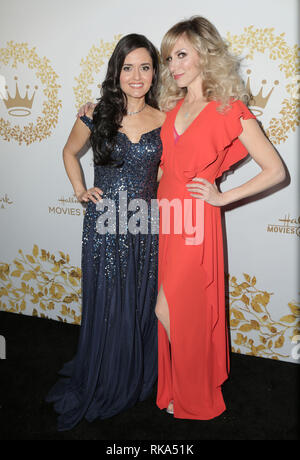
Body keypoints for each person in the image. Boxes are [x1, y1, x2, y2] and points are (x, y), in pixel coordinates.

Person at [154, 16, 286, 419]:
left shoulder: (229, 109)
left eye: (182, 54)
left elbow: (276, 170)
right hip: (167, 215)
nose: (173, 65)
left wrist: (223, 197)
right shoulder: (172, 105)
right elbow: (163, 165)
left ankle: (195, 393)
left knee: (167, 308)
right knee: (180, 310)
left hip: (196, 218)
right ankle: (183, 385)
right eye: (169, 57)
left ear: (205, 55)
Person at [46, 34, 166, 431]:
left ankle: (135, 373)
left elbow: (166, 173)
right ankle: (106, 375)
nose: (136, 75)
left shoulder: (165, 119)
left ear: (154, 72)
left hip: (145, 226)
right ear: (117, 71)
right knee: (111, 302)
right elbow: (69, 152)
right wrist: (80, 191)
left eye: (145, 67)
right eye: (128, 66)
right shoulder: (95, 113)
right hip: (104, 224)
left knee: (139, 301)